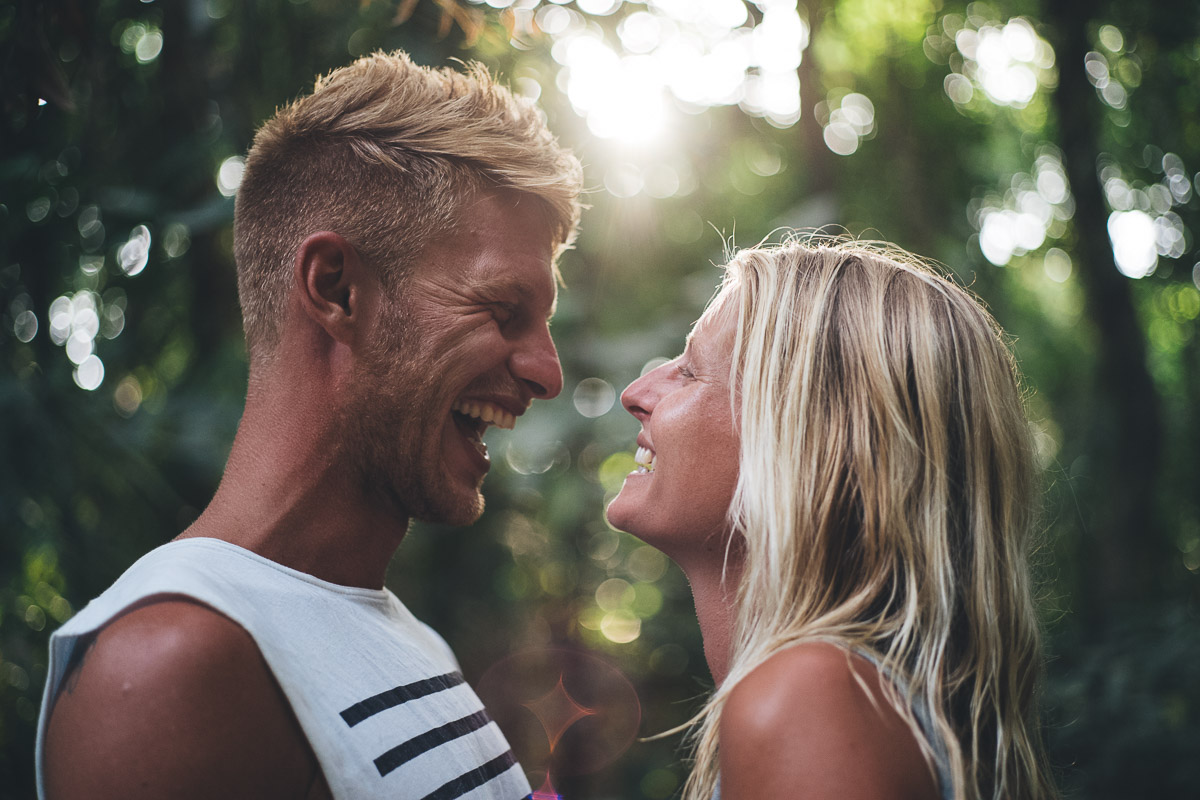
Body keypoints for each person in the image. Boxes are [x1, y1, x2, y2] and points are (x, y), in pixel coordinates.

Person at [36, 51, 582, 800]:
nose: (547, 373)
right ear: (336, 288)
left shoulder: (402, 636)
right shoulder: (172, 670)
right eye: (503, 310)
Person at [606, 238, 1058, 800]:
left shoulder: (812, 702)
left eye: (691, 372)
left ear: (811, 446)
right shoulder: (876, 702)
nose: (635, 392)